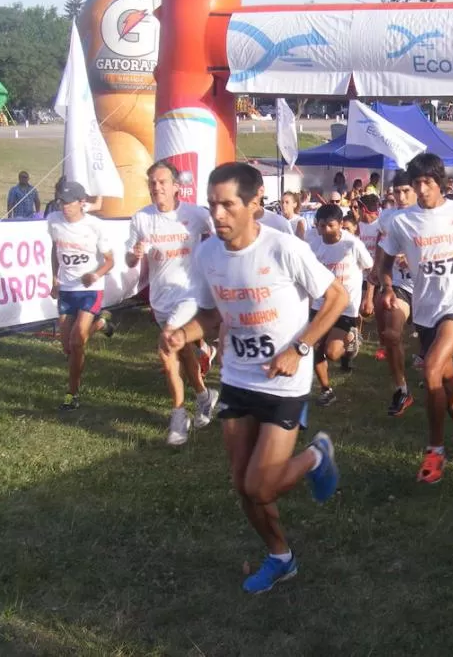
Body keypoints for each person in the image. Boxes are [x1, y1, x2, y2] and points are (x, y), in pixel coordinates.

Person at [160, 162, 346, 594]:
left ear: (254, 203)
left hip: (285, 383)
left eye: (227, 205)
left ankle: (316, 457)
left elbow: (337, 297)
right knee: (243, 486)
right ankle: (281, 557)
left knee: (260, 486)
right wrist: (180, 336)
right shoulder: (207, 254)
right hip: (239, 378)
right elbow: (209, 315)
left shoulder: (284, 248)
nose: (218, 215)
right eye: (212, 206)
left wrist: (299, 349)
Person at [378, 153, 453, 484]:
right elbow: (384, 263)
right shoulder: (402, 222)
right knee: (444, 380)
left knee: (430, 369)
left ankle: (434, 451)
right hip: (426, 309)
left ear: (441, 182)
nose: (422, 188)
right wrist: (387, 286)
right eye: (416, 183)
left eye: (427, 182)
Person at [125, 161, 218, 445]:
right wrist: (136, 254)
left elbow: (219, 236)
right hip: (161, 299)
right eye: (152, 182)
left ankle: (178, 416)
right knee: (184, 352)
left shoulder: (195, 215)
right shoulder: (141, 219)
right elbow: (129, 259)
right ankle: (205, 396)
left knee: (167, 347)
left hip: (190, 293)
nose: (156, 187)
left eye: (162, 182)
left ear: (177, 186)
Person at [48, 181, 116, 411]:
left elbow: (110, 261)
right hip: (67, 289)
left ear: (81, 203)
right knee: (67, 347)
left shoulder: (95, 226)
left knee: (77, 341)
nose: (63, 206)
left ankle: (72, 394)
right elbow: (55, 249)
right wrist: (54, 278)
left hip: (89, 289)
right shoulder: (54, 221)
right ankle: (102, 323)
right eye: (61, 201)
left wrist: (94, 275)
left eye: (68, 202)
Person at [309, 203, 374, 406]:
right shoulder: (313, 245)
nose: (326, 230)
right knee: (313, 347)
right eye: (322, 225)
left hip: (345, 306)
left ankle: (351, 336)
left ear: (340, 224)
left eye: (331, 225)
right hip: (320, 304)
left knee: (333, 353)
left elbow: (369, 267)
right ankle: (326, 390)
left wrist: (367, 297)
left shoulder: (352, 244)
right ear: (316, 225)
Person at [373, 170, 418, 417]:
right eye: (397, 192)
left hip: (431, 287)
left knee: (436, 357)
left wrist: (413, 258)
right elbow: (382, 242)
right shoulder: (388, 217)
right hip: (401, 286)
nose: (401, 196)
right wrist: (378, 269)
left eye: (405, 191)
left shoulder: (427, 216)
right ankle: (402, 389)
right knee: (391, 334)